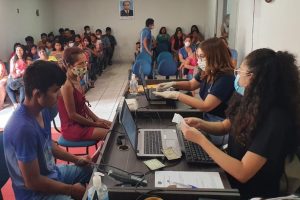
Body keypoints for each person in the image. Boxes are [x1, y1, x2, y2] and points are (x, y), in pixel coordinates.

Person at [181, 48, 300, 199]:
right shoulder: (249, 100)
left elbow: (243, 172)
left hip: (249, 192)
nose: (236, 75)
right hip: (230, 176)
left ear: (252, 77)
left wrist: (200, 139)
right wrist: (201, 124)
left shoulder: (275, 118)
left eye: (240, 71)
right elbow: (225, 126)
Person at [4, 60, 93, 200]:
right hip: (34, 194)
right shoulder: (22, 128)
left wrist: (76, 159)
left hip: (51, 174)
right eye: (56, 90)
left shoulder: (42, 110)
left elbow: (48, 145)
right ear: (37, 94)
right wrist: (71, 190)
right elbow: (33, 182)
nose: (60, 95)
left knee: (92, 170)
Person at [154, 38, 235, 146]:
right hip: (207, 118)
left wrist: (177, 95)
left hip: (219, 126)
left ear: (215, 57)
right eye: (198, 56)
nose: (198, 61)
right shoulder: (208, 70)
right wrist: (173, 83)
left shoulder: (225, 78)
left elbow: (206, 106)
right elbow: (191, 84)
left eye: (202, 57)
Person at [58, 47, 111, 142]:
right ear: (69, 65)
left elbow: (83, 105)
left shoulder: (77, 79)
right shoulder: (67, 86)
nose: (84, 66)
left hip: (82, 122)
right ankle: (98, 156)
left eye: (85, 62)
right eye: (80, 63)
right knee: (111, 135)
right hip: (73, 128)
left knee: (114, 126)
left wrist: (97, 119)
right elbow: (72, 115)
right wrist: (95, 124)